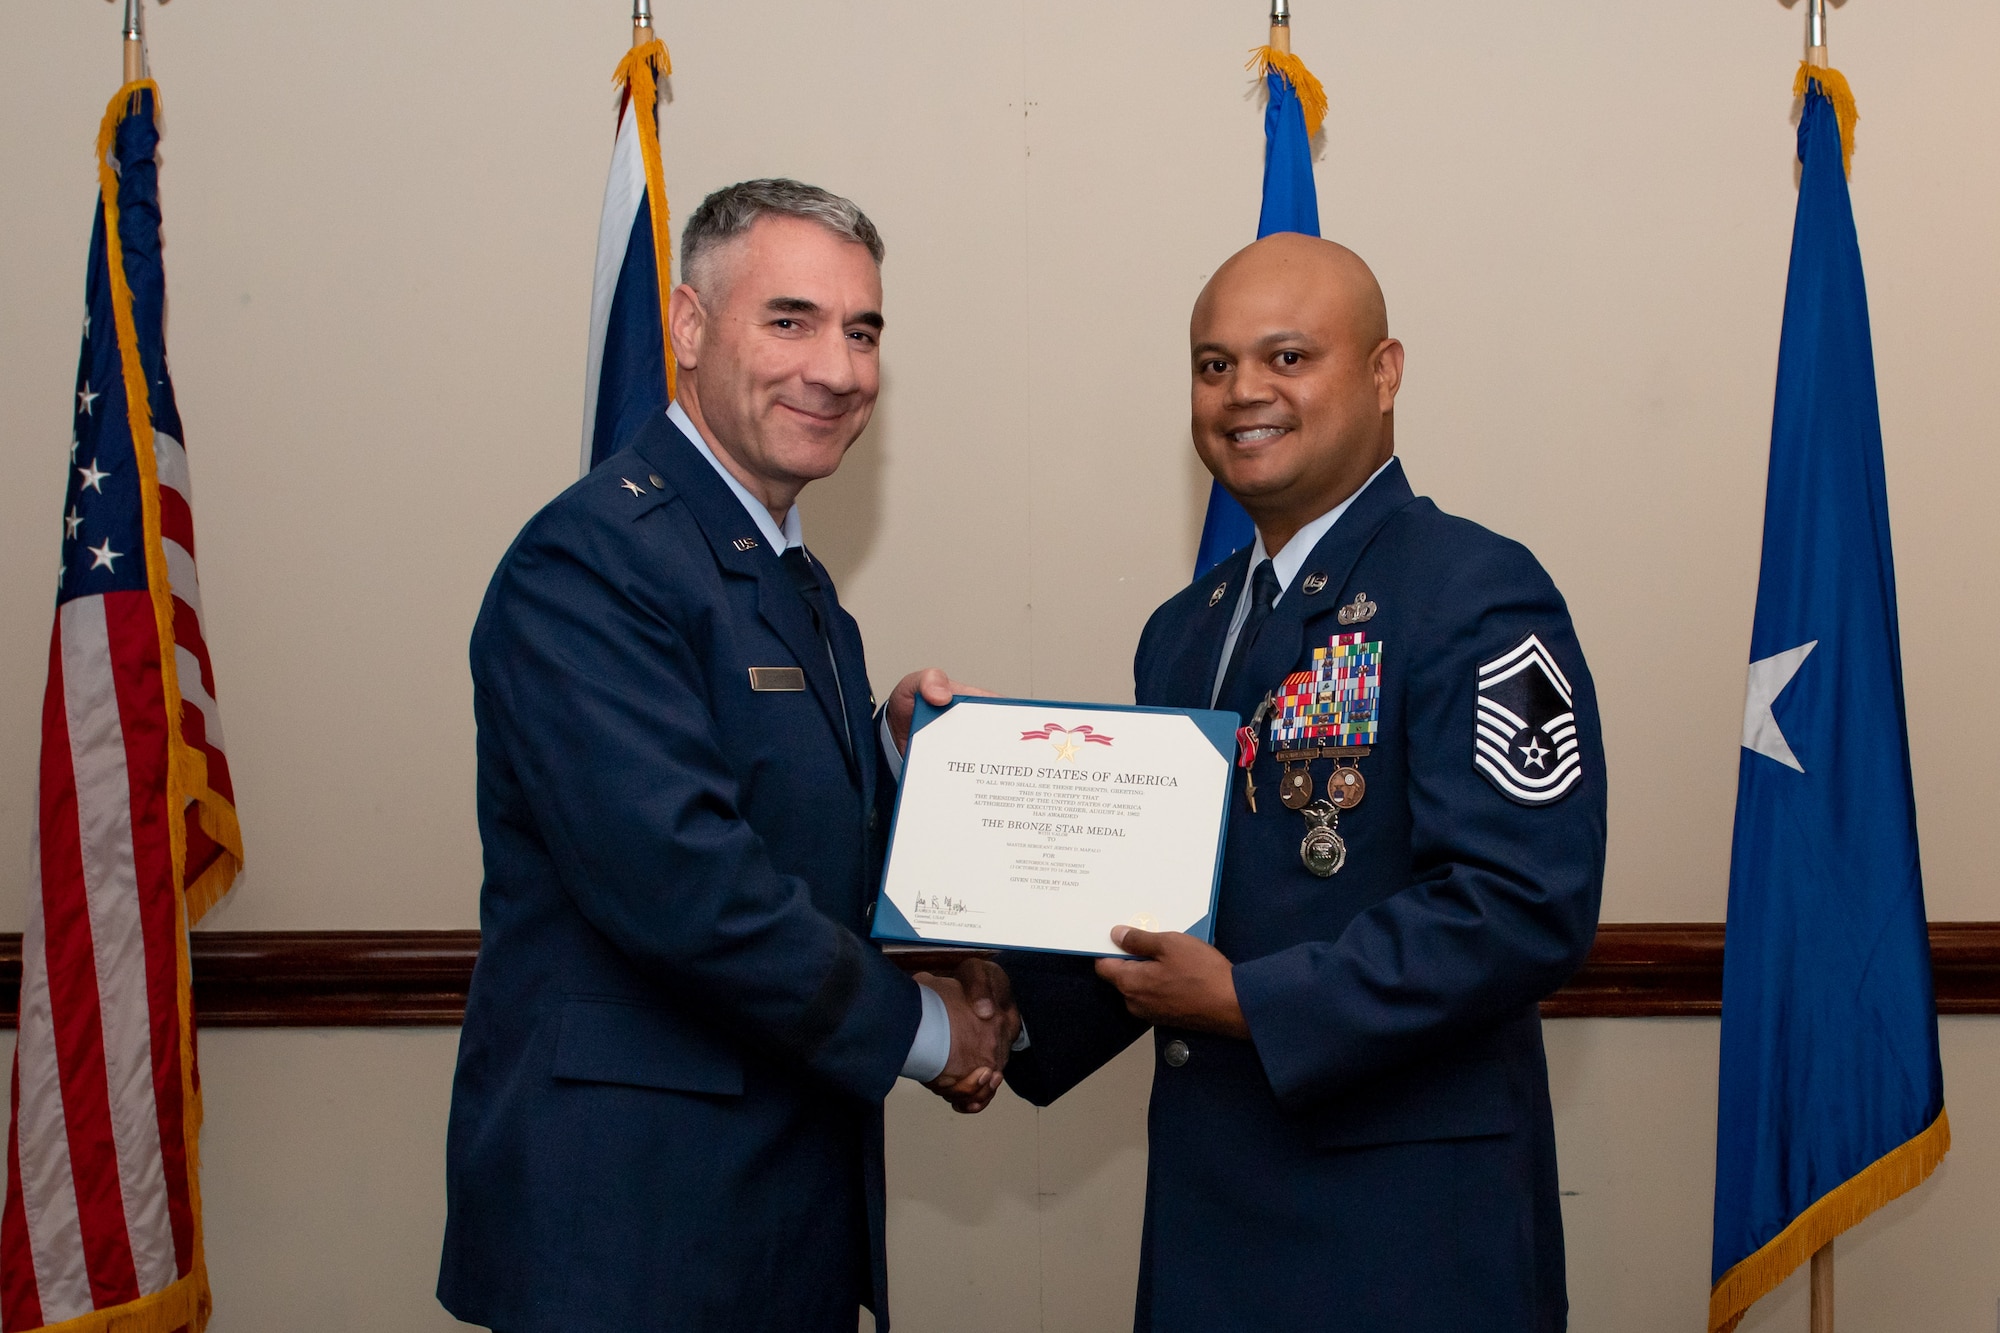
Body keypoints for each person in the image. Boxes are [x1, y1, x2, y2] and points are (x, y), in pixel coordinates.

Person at [437, 179, 1018, 1333]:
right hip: (634, 1234)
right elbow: (682, 882)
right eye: (791, 320)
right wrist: (934, 1031)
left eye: (862, 331)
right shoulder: (596, 561)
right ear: (690, 329)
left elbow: (778, 831)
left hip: (763, 1213)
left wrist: (902, 768)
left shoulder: (790, 586)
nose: (838, 368)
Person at [1001, 233, 1606, 1332]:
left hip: (1403, 1232)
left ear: (1384, 373)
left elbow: (1520, 905)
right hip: (1213, 1217)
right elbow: (1161, 897)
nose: (1244, 394)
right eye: (1213, 364)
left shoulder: (1476, 593)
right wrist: (994, 1007)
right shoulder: (1183, 631)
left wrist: (1249, 1001)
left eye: (1287, 357)